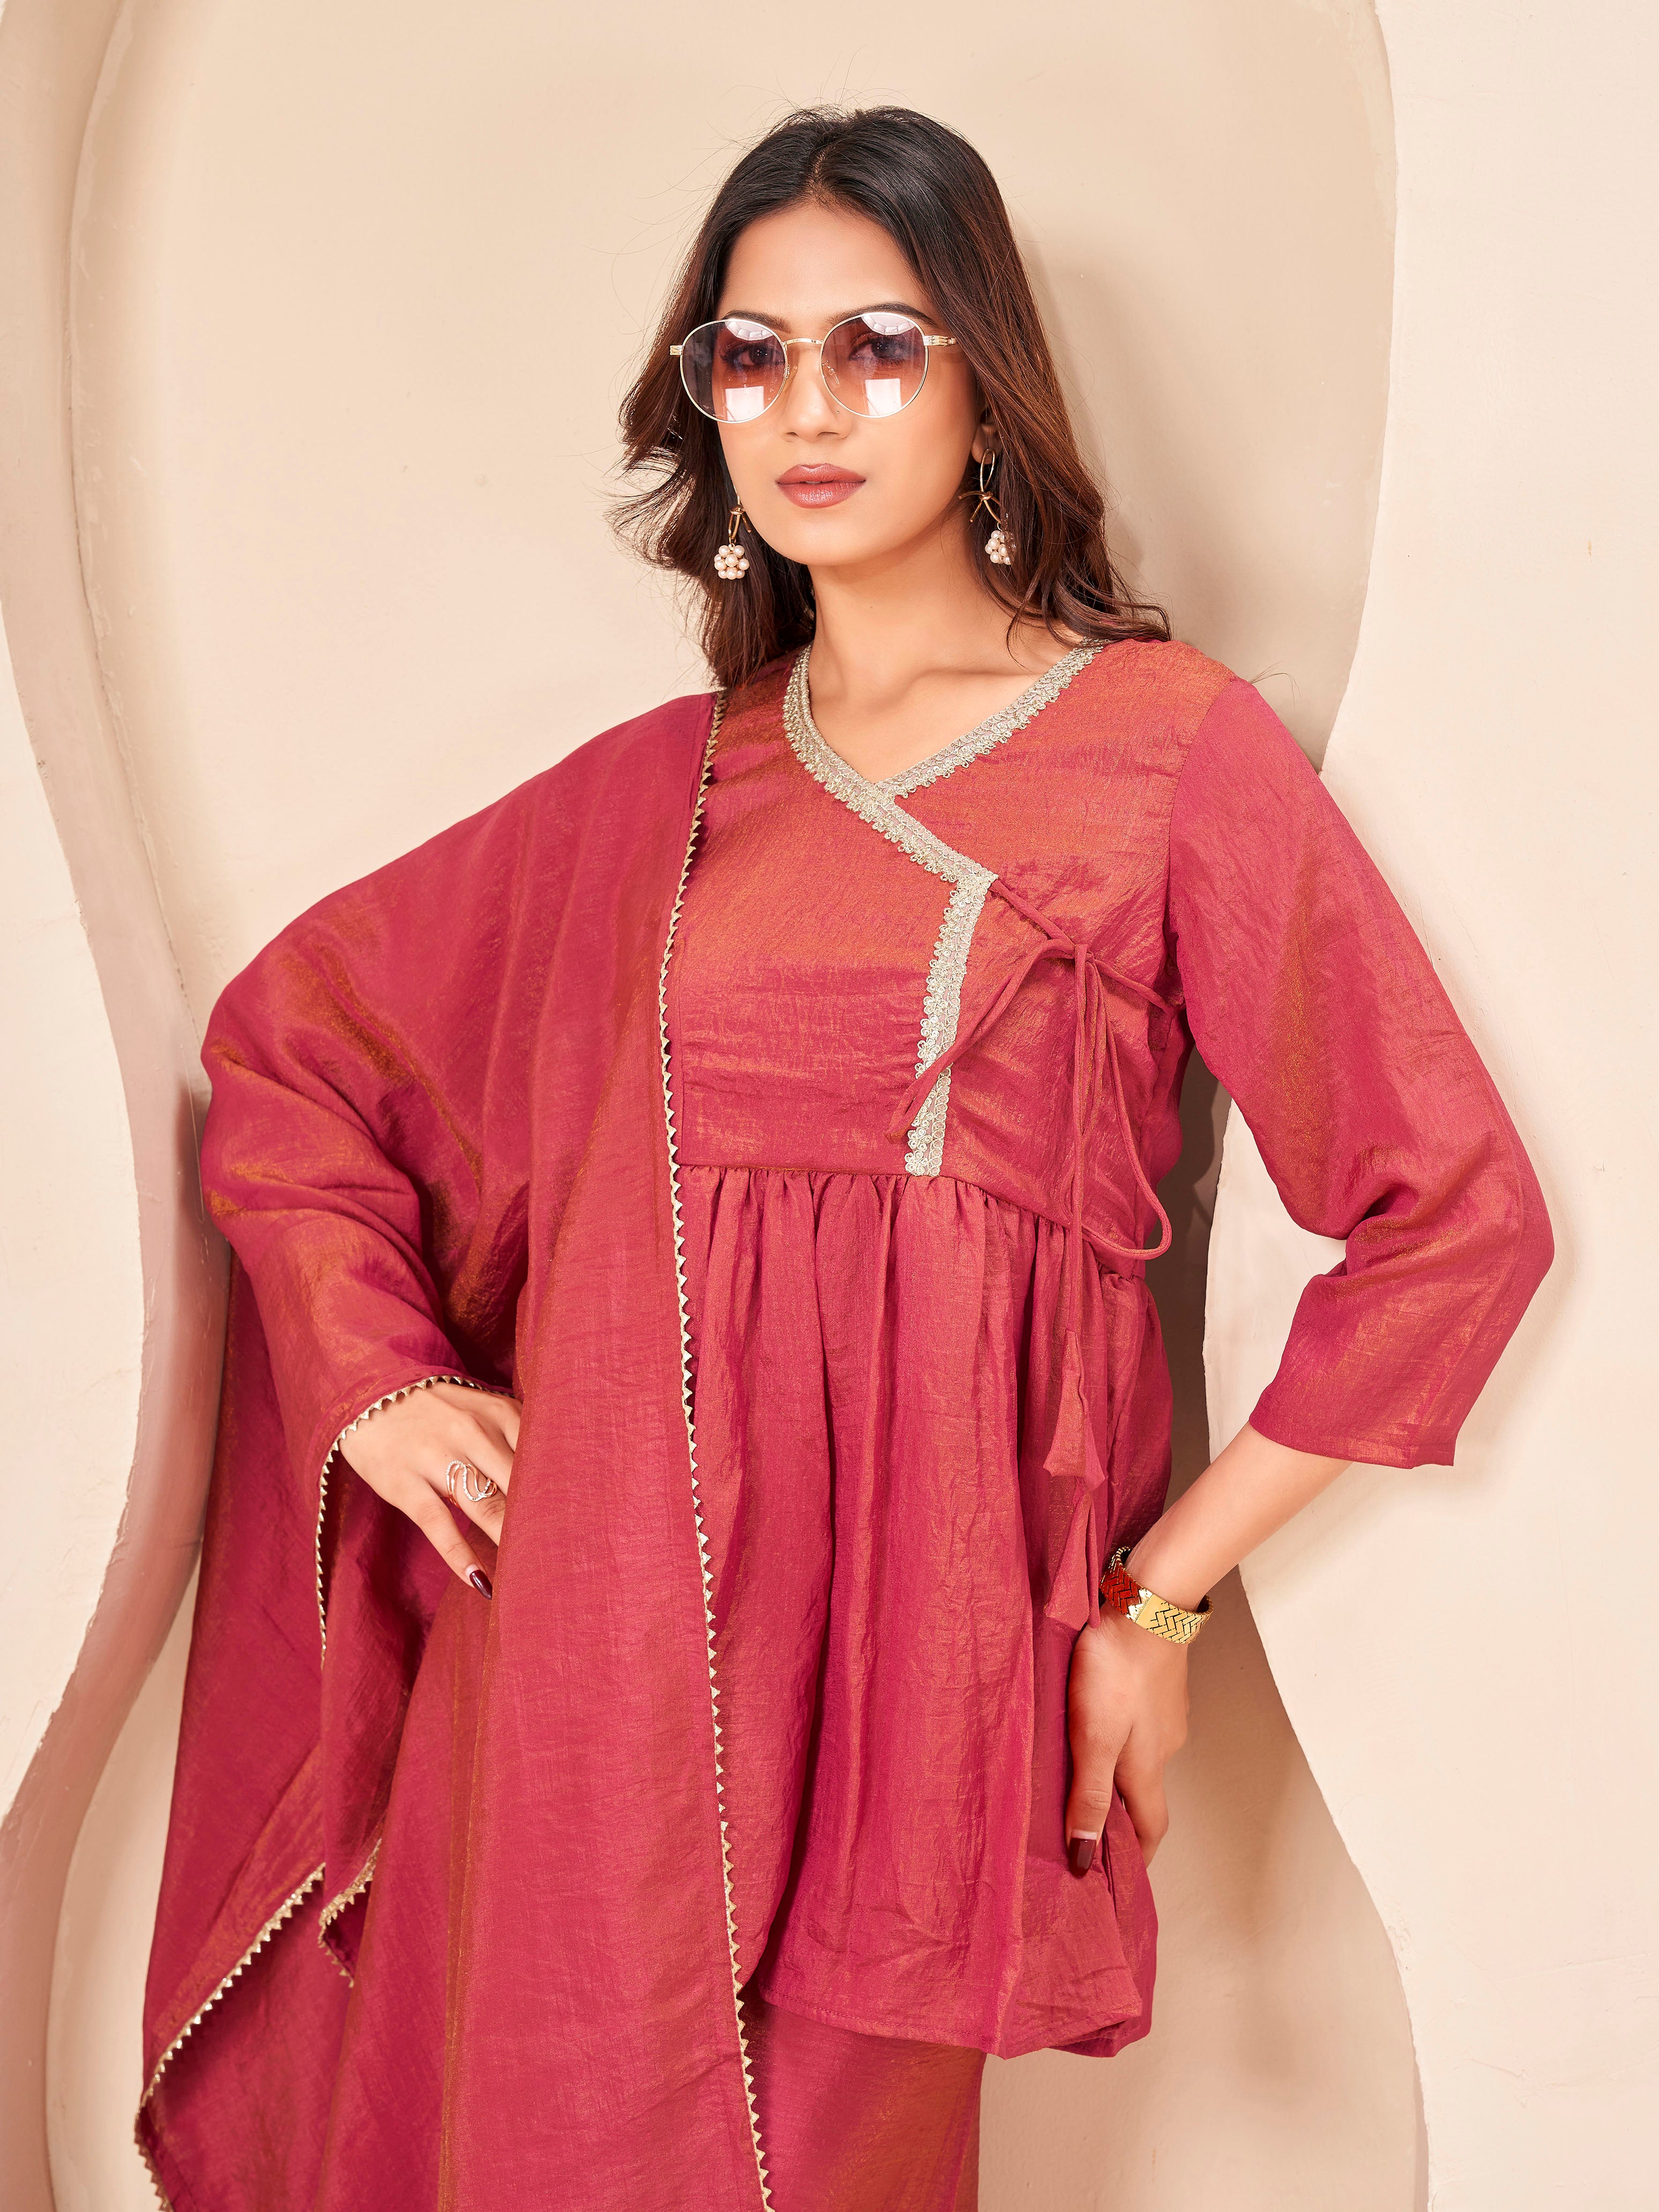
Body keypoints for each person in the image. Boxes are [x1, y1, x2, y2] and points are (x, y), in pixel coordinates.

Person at [139, 106, 1551, 2212]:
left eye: (878, 348)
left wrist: (1156, 1611)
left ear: (987, 386)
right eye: (753, 355)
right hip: (592, 1666)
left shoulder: (1166, 754)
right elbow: (293, 1058)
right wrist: (380, 1377)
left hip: (921, 1693)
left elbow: (1450, 1215)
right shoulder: (652, 804)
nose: (807, 409)